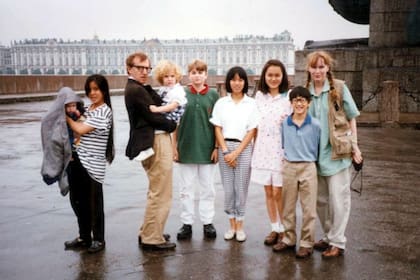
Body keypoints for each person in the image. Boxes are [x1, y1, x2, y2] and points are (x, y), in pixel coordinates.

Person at [305, 51, 363, 258]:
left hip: (337, 153)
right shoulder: (305, 92)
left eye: (322, 67)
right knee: (320, 201)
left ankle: (338, 241)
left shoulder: (338, 87)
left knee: (339, 200)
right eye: (314, 67)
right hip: (314, 155)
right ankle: (329, 236)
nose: (318, 71)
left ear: (327, 68)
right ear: (309, 69)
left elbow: (352, 118)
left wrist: (355, 147)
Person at [124, 52, 177, 251]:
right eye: (140, 68)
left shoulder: (139, 87)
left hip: (151, 142)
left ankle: (148, 230)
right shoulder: (135, 90)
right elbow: (153, 116)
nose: (145, 72)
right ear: (129, 68)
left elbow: (158, 103)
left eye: (148, 68)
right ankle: (152, 238)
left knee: (156, 189)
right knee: (161, 191)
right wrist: (172, 124)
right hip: (155, 141)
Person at [64, 74, 115, 254]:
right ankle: (84, 237)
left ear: (103, 91)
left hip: (92, 165)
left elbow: (79, 129)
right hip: (76, 160)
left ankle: (98, 239)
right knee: (77, 201)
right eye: (89, 90)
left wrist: (65, 117)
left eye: (96, 89)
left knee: (94, 204)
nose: (92, 93)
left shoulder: (104, 111)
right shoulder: (88, 109)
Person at [210, 66, 258, 242]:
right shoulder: (221, 103)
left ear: (245, 82)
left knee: (241, 188)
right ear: (228, 82)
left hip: (244, 148)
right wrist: (224, 151)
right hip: (225, 148)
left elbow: (252, 130)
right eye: (233, 79)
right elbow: (217, 128)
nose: (237, 83)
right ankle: (231, 226)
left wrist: (236, 152)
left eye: (240, 80)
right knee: (229, 189)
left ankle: (240, 226)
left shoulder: (251, 103)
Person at [272, 86, 321, 259]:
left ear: (308, 103)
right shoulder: (285, 123)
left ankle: (307, 243)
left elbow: (318, 146)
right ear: (291, 103)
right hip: (290, 166)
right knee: (288, 206)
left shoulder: (315, 125)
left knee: (308, 208)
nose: (299, 103)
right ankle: (288, 238)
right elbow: (284, 144)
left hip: (308, 166)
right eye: (295, 100)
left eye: (302, 100)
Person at [173, 59, 219, 240]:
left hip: (207, 149)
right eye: (193, 72)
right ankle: (187, 223)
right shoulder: (181, 94)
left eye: (200, 72)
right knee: (186, 189)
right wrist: (174, 147)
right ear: (188, 75)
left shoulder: (214, 95)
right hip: (186, 148)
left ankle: (208, 222)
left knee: (208, 189)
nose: (197, 75)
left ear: (206, 75)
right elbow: (174, 123)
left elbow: (218, 124)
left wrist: (216, 147)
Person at [250, 59, 292, 247]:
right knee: (268, 190)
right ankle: (274, 228)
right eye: (270, 75)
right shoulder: (259, 97)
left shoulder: (288, 97)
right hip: (263, 147)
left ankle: (284, 229)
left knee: (278, 192)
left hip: (281, 149)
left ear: (282, 76)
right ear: (264, 77)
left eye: (277, 75)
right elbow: (253, 124)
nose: (273, 78)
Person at [134, 60, 187, 162]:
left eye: (172, 76)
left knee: (149, 124)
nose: (169, 79)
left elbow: (173, 105)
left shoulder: (178, 90)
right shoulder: (165, 89)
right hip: (166, 113)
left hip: (171, 115)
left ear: (177, 77)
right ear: (161, 78)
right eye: (166, 77)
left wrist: (157, 109)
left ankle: (146, 149)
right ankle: (145, 148)